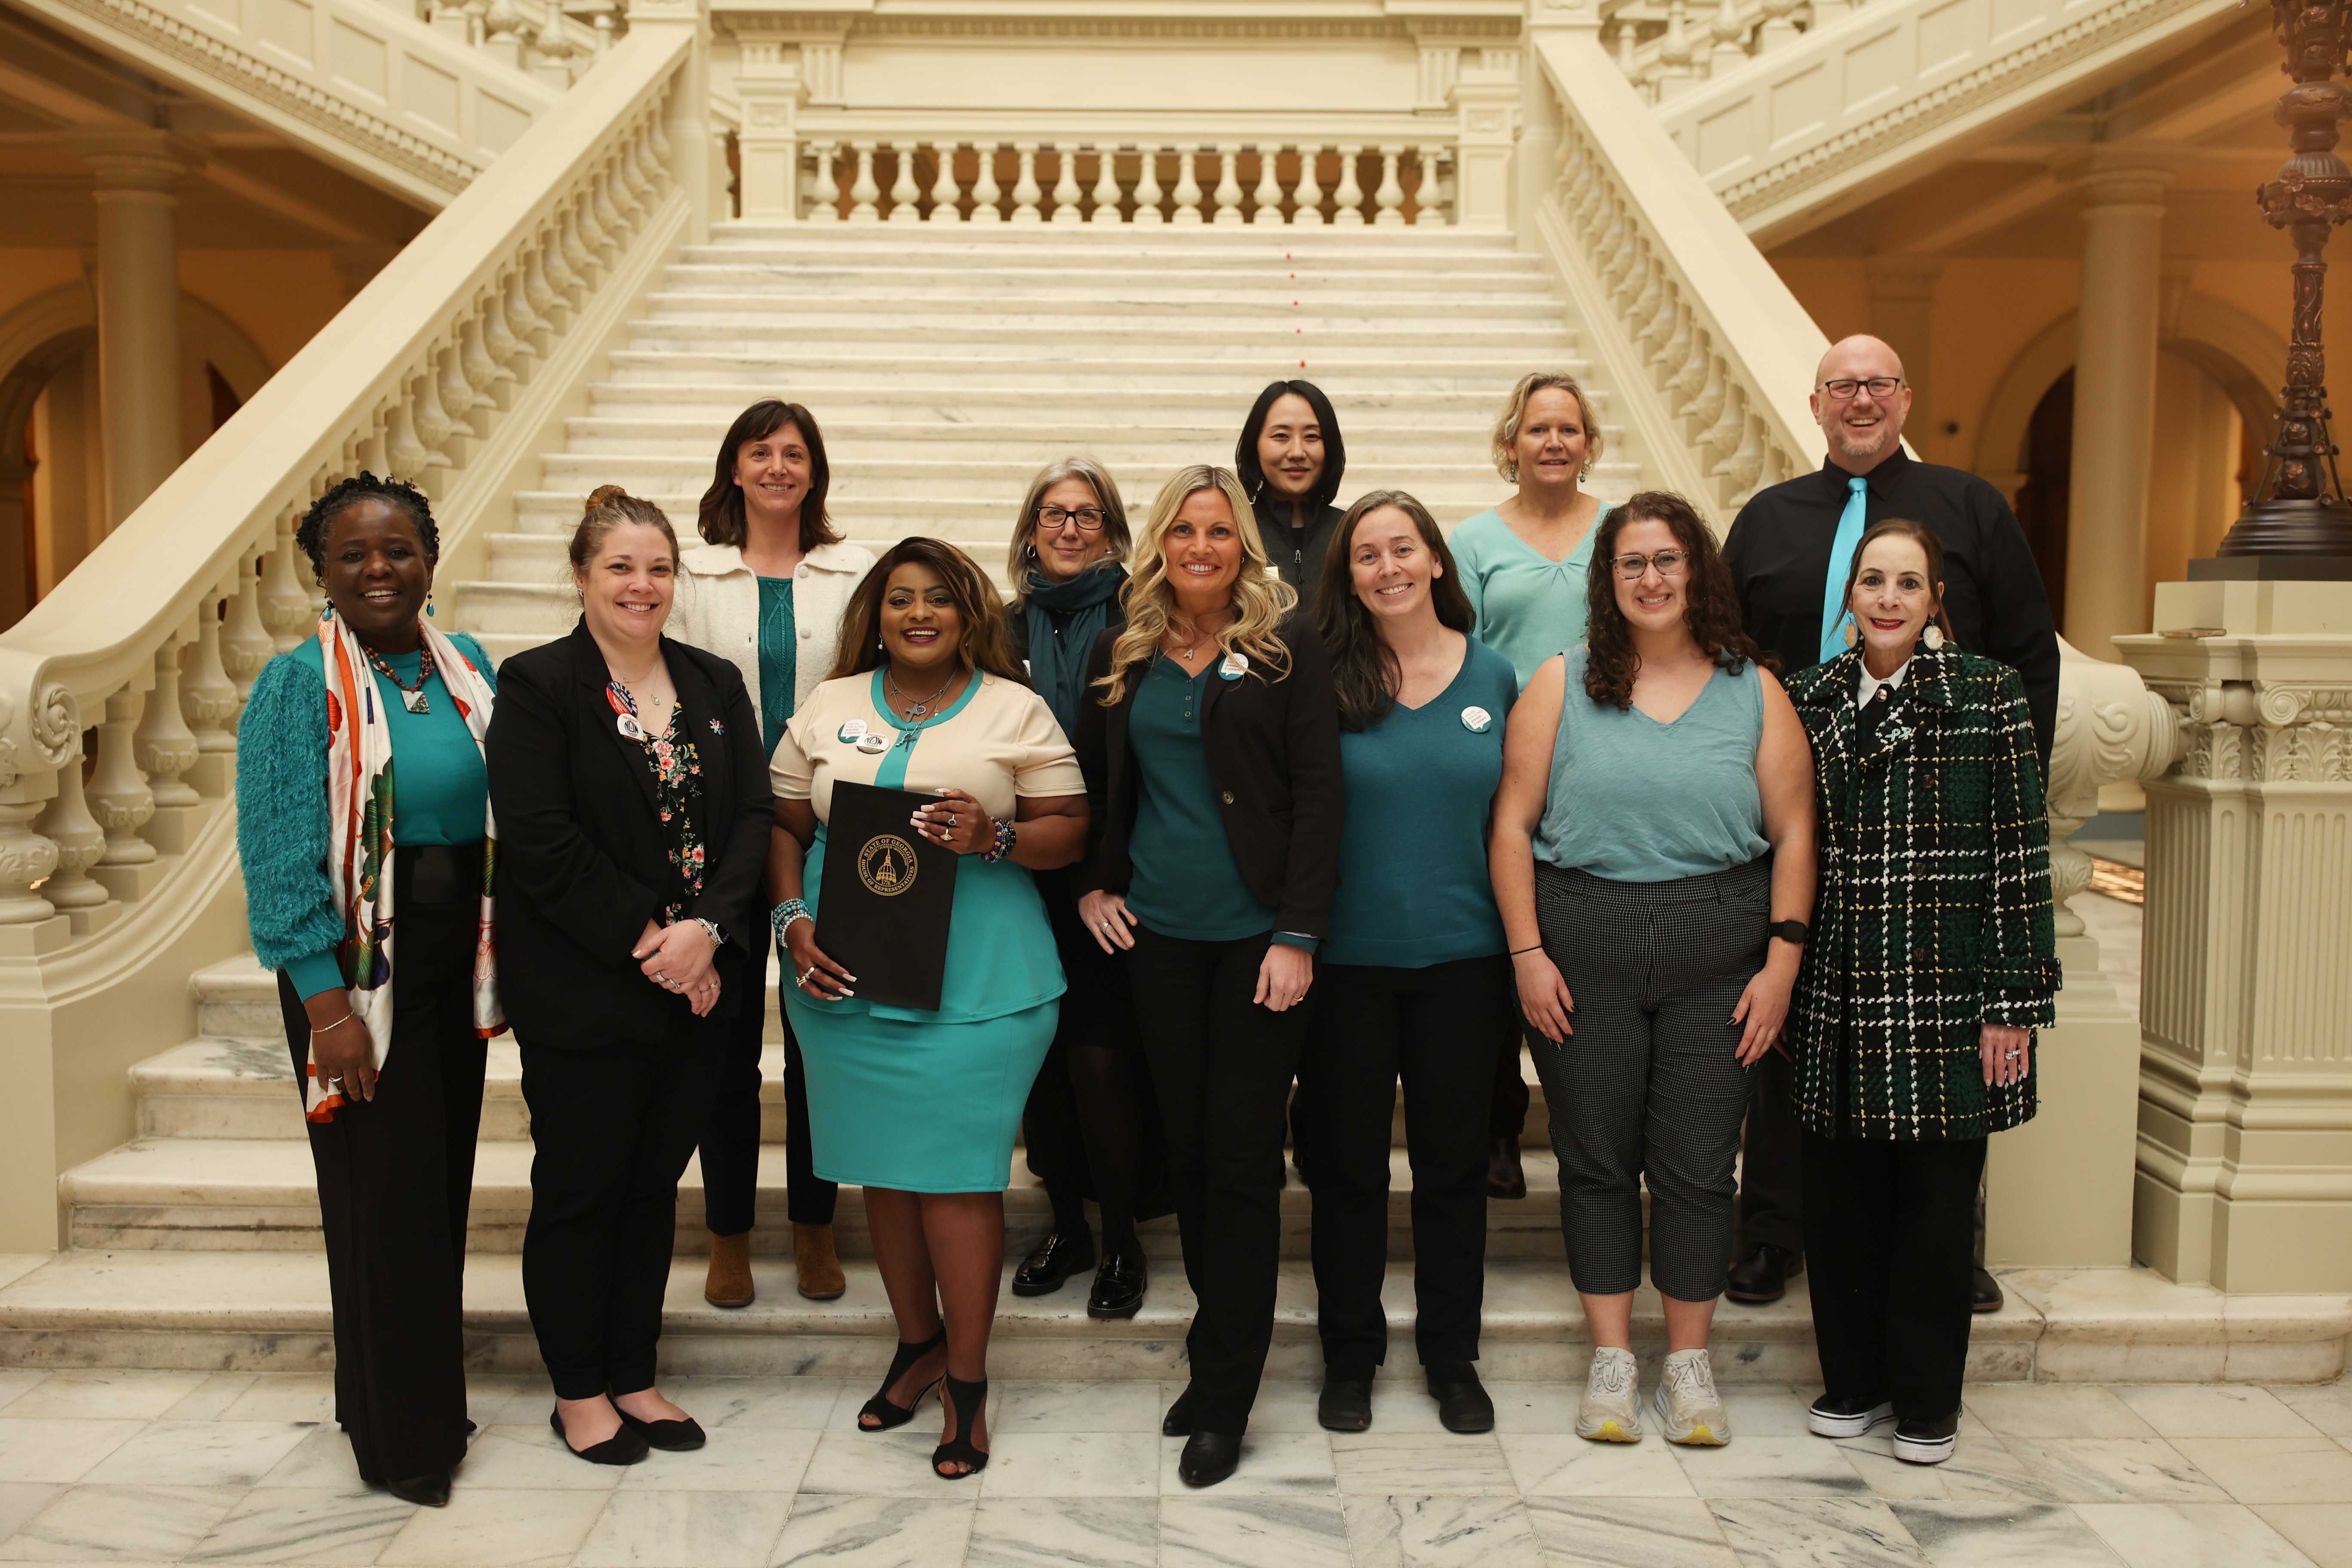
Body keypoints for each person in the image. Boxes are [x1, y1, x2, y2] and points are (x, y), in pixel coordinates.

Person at [1721, 334, 2058, 1311]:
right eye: (1841, 386)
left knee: (1946, 1030)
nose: (1858, 400)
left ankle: (1948, 1243)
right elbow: (1729, 662)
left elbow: (2030, 656)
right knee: (1789, 1019)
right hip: (1795, 827)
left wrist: (2002, 797)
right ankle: (1775, 1229)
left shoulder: (1972, 509)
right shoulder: (1766, 520)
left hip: (1937, 834)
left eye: (1875, 384)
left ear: (1905, 397)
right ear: (1816, 402)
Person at [1490, 491, 1816, 1449]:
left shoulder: (1753, 687)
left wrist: (1782, 968)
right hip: (1581, 949)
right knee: (1593, 1161)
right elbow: (1511, 824)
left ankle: (1687, 1365)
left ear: (1698, 570)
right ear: (1608, 579)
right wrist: (1527, 955)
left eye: (1667, 559)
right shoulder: (1563, 681)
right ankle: (1611, 1364)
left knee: (1699, 1167)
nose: (1651, 578)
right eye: (1631, 563)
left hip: (1721, 958)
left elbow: (1796, 833)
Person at [771, 538, 1090, 1481]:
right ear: (874, 613)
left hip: (979, 986)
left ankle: (968, 1380)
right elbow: (786, 822)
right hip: (843, 977)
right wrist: (790, 919)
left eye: (939, 599)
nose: (919, 613)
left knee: (956, 1177)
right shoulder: (829, 706)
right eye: (900, 598)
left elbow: (1070, 831)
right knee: (887, 1173)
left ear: (968, 614)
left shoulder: (1013, 707)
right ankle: (916, 1345)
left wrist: (996, 834)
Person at [486, 487, 773, 1467]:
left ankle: (633, 1371)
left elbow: (749, 822)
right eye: (620, 567)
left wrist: (709, 932)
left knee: (652, 1186)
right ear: (581, 575)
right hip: (585, 986)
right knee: (582, 1188)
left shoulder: (712, 681)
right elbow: (539, 842)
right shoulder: (535, 687)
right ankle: (578, 1392)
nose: (641, 585)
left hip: (699, 983)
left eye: (656, 567)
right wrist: (661, 941)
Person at [1072, 465, 1343, 1489]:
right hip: (1160, 943)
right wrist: (1096, 891)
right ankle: (1211, 1352)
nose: (1199, 547)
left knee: (1238, 1160)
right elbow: (1107, 787)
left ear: (1244, 548)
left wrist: (1297, 934)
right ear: (1157, 545)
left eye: (1217, 532)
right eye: (1182, 531)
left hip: (1256, 944)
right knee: (1183, 1157)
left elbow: (1318, 797)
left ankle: (1226, 1390)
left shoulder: (1287, 649)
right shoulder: (1124, 650)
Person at [236, 474, 502, 1509]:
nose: (379, 569)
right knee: (379, 1202)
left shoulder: (468, 666)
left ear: (430, 559)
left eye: (397, 550)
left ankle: (401, 1396)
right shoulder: (296, 686)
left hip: (453, 956)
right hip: (357, 973)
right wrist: (326, 1006)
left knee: (432, 1193)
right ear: (324, 571)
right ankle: (404, 1443)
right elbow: (277, 856)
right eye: (354, 554)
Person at [1787, 518, 2057, 1466]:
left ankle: (1928, 1402)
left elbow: (2022, 858)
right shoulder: (1806, 698)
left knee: (1938, 1215)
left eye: (1910, 582)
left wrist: (2014, 1002)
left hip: (1948, 988)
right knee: (1840, 1207)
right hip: (1837, 989)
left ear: (1936, 600)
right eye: (1874, 581)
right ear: (1850, 599)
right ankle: (1853, 1382)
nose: (1891, 597)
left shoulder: (1986, 695)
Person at [1297, 490, 1517, 1436]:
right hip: (1344, 965)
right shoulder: (1319, 675)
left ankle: (1450, 1356)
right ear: (1347, 577)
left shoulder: (1498, 678)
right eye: (1367, 555)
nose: (1387, 567)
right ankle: (1350, 1357)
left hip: (1467, 964)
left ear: (1436, 560)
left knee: (1452, 1172)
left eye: (1404, 549)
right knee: (1345, 1171)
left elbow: (1521, 825)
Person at [670, 398, 875, 1309]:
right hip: (718, 836)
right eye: (762, 452)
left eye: (795, 454)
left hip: (821, 828)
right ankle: (728, 1234)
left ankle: (814, 1225)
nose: (779, 468)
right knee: (721, 1049)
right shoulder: (689, 576)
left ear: (815, 470)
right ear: (736, 468)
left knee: (815, 1042)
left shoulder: (854, 571)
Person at [1449, 372, 1617, 1202]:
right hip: (1500, 769)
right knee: (1496, 952)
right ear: (1509, 441)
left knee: (1579, 945)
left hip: (1605, 764)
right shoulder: (1473, 541)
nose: (1554, 441)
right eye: (1537, 427)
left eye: (1569, 428)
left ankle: (1596, 1132)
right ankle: (1497, 1126)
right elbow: (1457, 655)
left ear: (1589, 443)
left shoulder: (1624, 530)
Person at [1000, 456, 1156, 1318]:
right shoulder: (999, 626)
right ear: (1029, 533)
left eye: (1087, 516)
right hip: (1019, 871)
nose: (1068, 529)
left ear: (1113, 531)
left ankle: (1125, 1241)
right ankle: (1067, 1226)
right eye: (1053, 515)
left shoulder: (1145, 618)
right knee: (1044, 1065)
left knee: (1103, 1059)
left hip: (1118, 875)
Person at [1234, 379, 1348, 608]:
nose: (1297, 452)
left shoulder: (1352, 532)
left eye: (1312, 437)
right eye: (1281, 436)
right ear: (1255, 445)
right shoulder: (1233, 531)